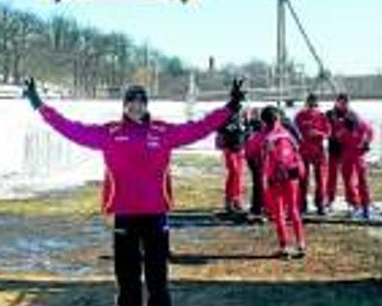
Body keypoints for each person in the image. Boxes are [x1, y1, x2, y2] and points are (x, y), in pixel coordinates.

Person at [23, 77, 245, 306]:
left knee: (157, 277)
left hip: (156, 212)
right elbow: (71, 128)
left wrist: (230, 107)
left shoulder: (163, 131)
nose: (135, 106)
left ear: (146, 105)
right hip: (125, 213)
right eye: (130, 101)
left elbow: (200, 127)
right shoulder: (109, 132)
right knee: (127, 278)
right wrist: (39, 104)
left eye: (140, 101)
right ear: (124, 105)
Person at [253, 105, 306, 259]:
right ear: (278, 118)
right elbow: (298, 149)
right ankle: (301, 243)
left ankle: (284, 246)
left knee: (279, 213)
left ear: (264, 122)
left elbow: (251, 151)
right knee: (294, 210)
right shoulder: (288, 133)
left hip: (275, 177)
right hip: (293, 175)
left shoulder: (265, 136)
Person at [326, 93, 374, 219]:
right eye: (341, 102)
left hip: (354, 155)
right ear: (336, 102)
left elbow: (369, 131)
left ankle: (361, 205)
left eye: (345, 103)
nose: (343, 105)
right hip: (339, 152)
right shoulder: (330, 115)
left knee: (358, 181)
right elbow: (333, 134)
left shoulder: (356, 118)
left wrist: (366, 144)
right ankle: (336, 201)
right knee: (341, 179)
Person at [294, 93, 332, 215]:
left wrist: (318, 134)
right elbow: (294, 132)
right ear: (306, 104)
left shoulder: (322, 116)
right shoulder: (300, 116)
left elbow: (328, 132)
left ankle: (320, 204)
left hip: (318, 151)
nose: (312, 107)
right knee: (303, 179)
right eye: (310, 105)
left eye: (314, 105)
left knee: (321, 179)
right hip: (303, 151)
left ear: (317, 105)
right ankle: (302, 204)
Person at [215, 110, 247, 214]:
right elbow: (219, 128)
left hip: (240, 147)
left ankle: (237, 199)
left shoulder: (243, 114)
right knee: (234, 172)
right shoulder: (226, 112)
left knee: (239, 175)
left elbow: (247, 129)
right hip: (229, 148)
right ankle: (229, 200)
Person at [244, 106, 266, 219]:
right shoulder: (253, 126)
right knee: (259, 182)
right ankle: (259, 206)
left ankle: (258, 206)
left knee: (258, 183)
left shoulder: (253, 126)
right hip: (255, 157)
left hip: (254, 157)